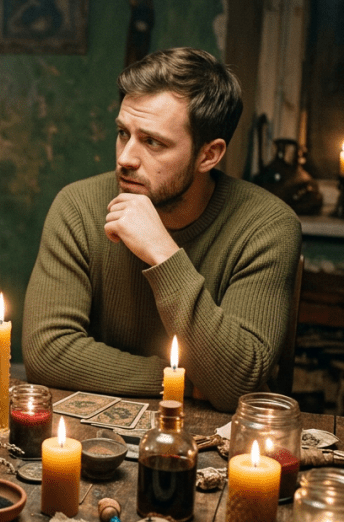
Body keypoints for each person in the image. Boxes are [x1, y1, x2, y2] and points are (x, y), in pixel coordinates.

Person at [22, 47, 302, 412]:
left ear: (209, 155)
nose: (125, 158)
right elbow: (47, 353)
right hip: (92, 437)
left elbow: (237, 383)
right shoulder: (78, 207)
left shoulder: (267, 227)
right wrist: (178, 381)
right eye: (123, 133)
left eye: (153, 142)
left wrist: (163, 253)